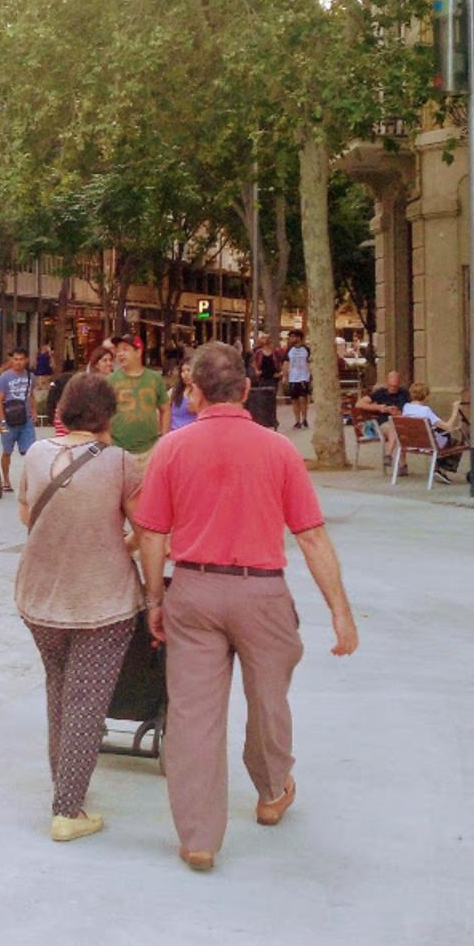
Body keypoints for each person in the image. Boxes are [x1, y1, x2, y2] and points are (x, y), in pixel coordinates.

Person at [133, 342, 359, 872]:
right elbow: (311, 537)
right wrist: (340, 612)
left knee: (193, 715)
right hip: (262, 591)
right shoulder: (278, 449)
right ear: (244, 389)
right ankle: (272, 789)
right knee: (269, 701)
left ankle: (198, 837)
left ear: (195, 391)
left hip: (194, 588)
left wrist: (154, 598)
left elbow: (150, 533)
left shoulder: (171, 448)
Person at [16, 374, 148, 842]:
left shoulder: (36, 455)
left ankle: (64, 786)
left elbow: (28, 515)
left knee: (60, 689)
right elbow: (148, 530)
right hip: (100, 601)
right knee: (86, 701)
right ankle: (68, 809)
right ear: (107, 416)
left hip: (39, 597)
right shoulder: (120, 464)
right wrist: (124, 550)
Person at [106, 335, 170, 458]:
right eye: (118, 350)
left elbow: (165, 409)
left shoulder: (155, 379)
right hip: (119, 449)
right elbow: (103, 413)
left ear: (138, 351)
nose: (120, 354)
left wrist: (163, 438)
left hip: (150, 449)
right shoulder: (110, 380)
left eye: (125, 349)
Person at [0, 348, 38, 487]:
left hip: (26, 419)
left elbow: (31, 395)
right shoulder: (4, 378)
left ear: (26, 360)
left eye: (21, 359)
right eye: (15, 359)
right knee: (7, 451)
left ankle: (30, 481)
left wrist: (34, 411)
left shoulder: (30, 377)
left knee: (30, 451)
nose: (18, 362)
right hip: (10, 419)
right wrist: (2, 419)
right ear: (11, 360)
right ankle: (5, 479)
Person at [354, 370, 411, 471]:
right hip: (384, 424)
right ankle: (395, 460)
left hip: (400, 421)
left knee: (400, 430)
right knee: (395, 429)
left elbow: (410, 410)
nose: (394, 388)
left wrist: (398, 413)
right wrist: (379, 407)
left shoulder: (404, 393)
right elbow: (359, 404)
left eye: (396, 386)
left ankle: (399, 463)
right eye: (392, 385)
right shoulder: (380, 393)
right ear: (387, 382)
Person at [400, 384, 463, 449]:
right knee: (457, 443)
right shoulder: (425, 410)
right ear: (426, 396)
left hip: (411, 442)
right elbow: (448, 427)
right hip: (428, 444)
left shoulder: (406, 407)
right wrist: (455, 410)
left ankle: (440, 458)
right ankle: (440, 459)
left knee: (442, 433)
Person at [284, 330, 313, 429]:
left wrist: (310, 376)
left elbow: (310, 362)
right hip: (293, 378)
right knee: (294, 400)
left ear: (299, 338)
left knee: (302, 399)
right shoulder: (289, 350)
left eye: (293, 336)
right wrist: (285, 377)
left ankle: (304, 418)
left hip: (303, 378)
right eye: (290, 337)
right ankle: (297, 421)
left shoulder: (306, 350)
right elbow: (286, 363)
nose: (291, 339)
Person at [169, 360, 200, 432]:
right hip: (174, 432)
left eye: (188, 370)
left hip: (191, 433)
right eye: (183, 371)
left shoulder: (201, 392)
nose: (185, 374)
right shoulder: (174, 391)